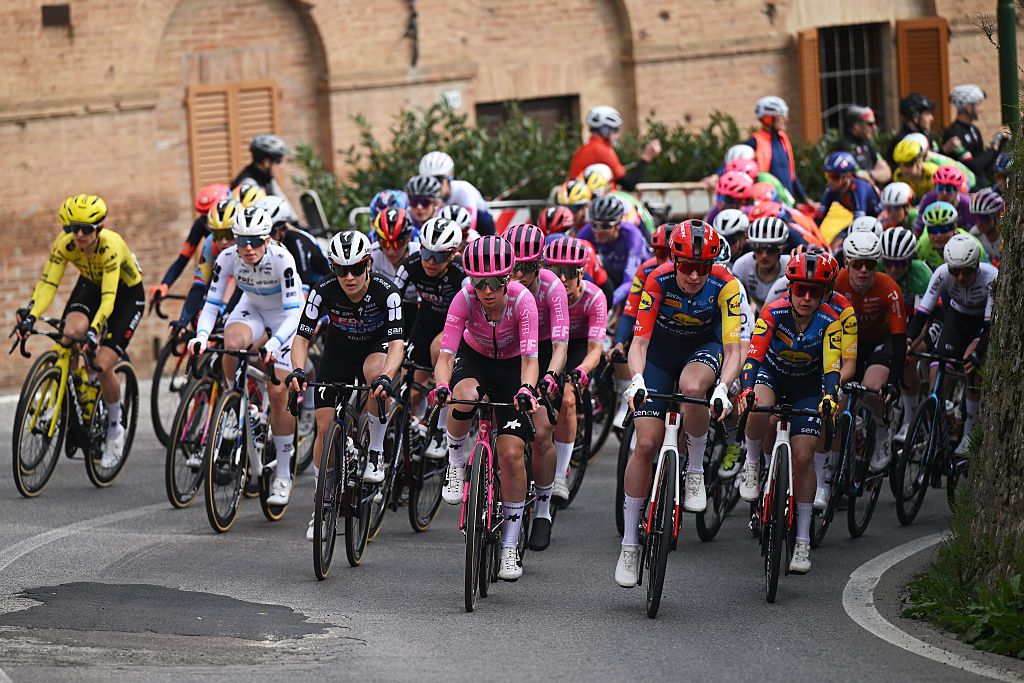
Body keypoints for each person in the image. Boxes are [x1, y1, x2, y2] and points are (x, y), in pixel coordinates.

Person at [616, 221, 742, 588]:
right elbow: (637, 346)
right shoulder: (657, 280)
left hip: (703, 352)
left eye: (701, 267)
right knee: (647, 445)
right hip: (657, 357)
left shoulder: (726, 285)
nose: (692, 275)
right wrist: (636, 379)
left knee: (691, 388)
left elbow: (734, 350)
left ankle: (696, 470)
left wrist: (724, 387)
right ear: (674, 260)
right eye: (685, 265)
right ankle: (628, 545)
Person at [430, 236, 540, 581]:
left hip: (511, 368)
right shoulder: (464, 298)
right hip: (475, 358)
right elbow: (446, 354)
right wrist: (442, 386)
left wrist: (526, 389)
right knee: (462, 395)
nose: (487, 291)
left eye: (495, 283)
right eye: (480, 283)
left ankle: (509, 545)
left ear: (508, 279)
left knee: (510, 454)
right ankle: (456, 460)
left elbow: (530, 359)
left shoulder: (524, 301)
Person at [285, 230, 406, 540]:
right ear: (333, 267)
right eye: (341, 269)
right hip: (338, 351)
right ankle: (321, 504)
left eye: (355, 269)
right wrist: (298, 370)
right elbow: (301, 336)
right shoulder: (323, 289)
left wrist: (386, 377)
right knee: (324, 429)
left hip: (374, 348)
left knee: (375, 377)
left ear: (368, 264)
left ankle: (376, 450)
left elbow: (396, 344)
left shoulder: (386, 292)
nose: (349, 277)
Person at [16, 194, 145, 468]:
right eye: (73, 228)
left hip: (124, 296)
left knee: (100, 364)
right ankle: (74, 394)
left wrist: (94, 330)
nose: (79, 234)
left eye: (87, 229)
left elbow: (109, 298)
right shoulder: (66, 244)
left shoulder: (111, 246)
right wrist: (31, 314)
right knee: (67, 337)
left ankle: (114, 428)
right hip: (90, 285)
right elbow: (48, 283)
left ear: (99, 229)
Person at [187, 206, 303, 505]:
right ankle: (233, 402)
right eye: (241, 241)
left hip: (285, 319)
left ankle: (283, 474)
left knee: (278, 392)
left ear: (267, 239)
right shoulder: (227, 257)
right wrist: (200, 336)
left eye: (254, 241)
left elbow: (294, 314)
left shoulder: (282, 259)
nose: (247, 248)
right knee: (232, 341)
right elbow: (211, 303)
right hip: (251, 308)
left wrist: (275, 343)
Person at [738, 251, 842, 575]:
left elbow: (832, 368)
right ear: (790, 287)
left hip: (808, 388)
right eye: (800, 289)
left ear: (825, 291)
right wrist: (746, 388)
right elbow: (753, 358)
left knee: (803, 457)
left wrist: (829, 397)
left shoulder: (830, 321)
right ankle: (753, 463)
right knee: (757, 406)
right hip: (773, 375)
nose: (807, 297)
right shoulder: (773, 311)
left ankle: (802, 540)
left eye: (815, 290)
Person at [503, 224, 570, 551]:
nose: (519, 274)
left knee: (541, 430)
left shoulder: (553, 287)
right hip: (506, 349)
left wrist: (551, 376)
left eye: (527, 267)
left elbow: (560, 344)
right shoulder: (496, 283)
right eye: (513, 265)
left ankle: (542, 509)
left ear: (539, 265)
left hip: (543, 353)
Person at [907, 233, 996, 455]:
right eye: (955, 271)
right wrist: (908, 341)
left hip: (980, 325)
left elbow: (989, 325)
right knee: (938, 371)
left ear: (977, 265)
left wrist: (977, 353)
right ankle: (938, 428)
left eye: (967, 271)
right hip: (956, 319)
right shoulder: (942, 273)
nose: (961, 277)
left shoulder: (991, 276)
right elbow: (922, 313)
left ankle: (968, 432)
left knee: (971, 367)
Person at [833, 232, 907, 474]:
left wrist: (893, 383)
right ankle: (833, 467)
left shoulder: (889, 288)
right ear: (847, 263)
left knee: (872, 388)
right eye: (857, 264)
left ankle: (883, 433)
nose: (863, 270)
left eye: (870, 264)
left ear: (877, 265)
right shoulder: (836, 282)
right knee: (836, 404)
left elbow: (899, 341)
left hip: (879, 342)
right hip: (847, 344)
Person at [392, 217, 466, 458]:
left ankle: (442, 431)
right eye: (426, 252)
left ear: (452, 255)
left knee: (439, 350)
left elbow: (473, 311)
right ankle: (416, 427)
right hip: (428, 318)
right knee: (410, 383)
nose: (430, 262)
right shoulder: (410, 265)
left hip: (456, 322)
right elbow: (391, 301)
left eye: (439, 256)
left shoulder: (461, 272)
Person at [543, 237, 608, 505]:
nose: (561, 279)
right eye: (554, 271)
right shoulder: (543, 293)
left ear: (580, 273)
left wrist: (581, 371)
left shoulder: (594, 297)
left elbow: (596, 349)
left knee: (568, 398)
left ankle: (559, 475)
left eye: (568, 273)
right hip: (550, 343)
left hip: (580, 347)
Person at [879, 227, 932, 442]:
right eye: (888, 262)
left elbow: (924, 319)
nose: (893, 269)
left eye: (900, 264)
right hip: (892, 319)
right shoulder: (877, 269)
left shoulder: (920, 273)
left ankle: (911, 420)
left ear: (910, 260)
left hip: (920, 320)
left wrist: (909, 347)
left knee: (907, 359)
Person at [149, 183, 230, 304]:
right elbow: (182, 259)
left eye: (210, 213)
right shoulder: (200, 224)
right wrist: (165, 285)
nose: (208, 222)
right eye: (204, 215)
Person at [576, 195, 650, 309]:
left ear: (618, 224)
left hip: (638, 277)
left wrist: (609, 301)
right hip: (612, 273)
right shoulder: (587, 231)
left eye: (605, 226)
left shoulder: (631, 235)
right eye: (594, 225)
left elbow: (629, 280)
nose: (598, 231)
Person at [744, 96, 814, 207]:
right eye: (781, 116)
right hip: (769, 203)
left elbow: (792, 175)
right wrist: (715, 176)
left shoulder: (783, 139)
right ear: (769, 118)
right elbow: (735, 161)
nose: (786, 120)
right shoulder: (755, 141)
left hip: (788, 202)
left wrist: (805, 199)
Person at [568, 106, 662, 189]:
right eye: (615, 130)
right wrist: (646, 157)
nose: (618, 135)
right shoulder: (601, 149)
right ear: (604, 130)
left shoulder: (588, 147)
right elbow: (629, 183)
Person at [256, 195, 331, 289]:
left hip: (319, 285)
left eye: (270, 232)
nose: (267, 238)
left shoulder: (297, 241)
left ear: (282, 228)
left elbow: (305, 285)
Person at [942, 84, 1011, 185]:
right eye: (978, 104)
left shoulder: (974, 130)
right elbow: (973, 167)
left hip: (981, 186)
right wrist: (994, 147)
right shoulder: (954, 133)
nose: (981, 109)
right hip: (965, 190)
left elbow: (985, 163)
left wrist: (1001, 142)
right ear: (968, 107)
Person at [418, 151, 496, 236]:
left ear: (448, 178)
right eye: (428, 181)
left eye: (438, 179)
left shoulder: (464, 190)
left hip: (481, 222)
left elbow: (470, 227)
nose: (433, 185)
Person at [370, 206, 420, 323]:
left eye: (398, 243)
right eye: (385, 243)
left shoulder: (419, 254)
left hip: (417, 308)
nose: (391, 251)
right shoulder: (373, 253)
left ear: (408, 238)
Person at [730, 216, 791, 310]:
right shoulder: (742, 266)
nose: (764, 255)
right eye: (758, 248)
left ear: (781, 249)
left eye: (771, 249)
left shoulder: (790, 265)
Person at [231, 134, 295, 217]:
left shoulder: (267, 178)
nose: (282, 166)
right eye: (279, 161)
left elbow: (283, 203)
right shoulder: (248, 185)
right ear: (267, 163)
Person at [813, 151, 881, 226]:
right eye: (828, 176)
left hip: (878, 220)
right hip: (861, 221)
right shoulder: (830, 190)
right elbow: (818, 218)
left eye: (835, 177)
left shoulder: (859, 189)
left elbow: (859, 222)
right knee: (838, 237)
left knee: (845, 237)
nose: (830, 181)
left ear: (848, 176)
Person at [917, 202, 987, 270]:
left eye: (944, 229)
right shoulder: (921, 245)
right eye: (933, 230)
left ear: (954, 228)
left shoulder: (974, 245)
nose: (939, 235)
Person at [835, 105, 891, 187]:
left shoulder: (867, 143)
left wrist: (869, 174)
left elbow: (887, 173)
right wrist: (874, 175)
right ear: (857, 127)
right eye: (870, 124)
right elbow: (860, 179)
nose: (874, 128)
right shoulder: (845, 147)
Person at [913, 165, 974, 234]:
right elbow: (919, 226)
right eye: (940, 187)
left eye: (949, 188)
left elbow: (972, 230)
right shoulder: (928, 198)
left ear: (958, 190)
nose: (944, 193)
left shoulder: (966, 203)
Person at [886, 94, 938, 166]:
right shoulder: (902, 142)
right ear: (915, 116)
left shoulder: (927, 136)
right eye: (927, 114)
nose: (932, 119)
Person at [968, 188, 1004, 266]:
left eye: (983, 218)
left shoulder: (1006, 236)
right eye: (975, 217)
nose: (979, 223)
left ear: (997, 216)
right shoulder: (974, 235)